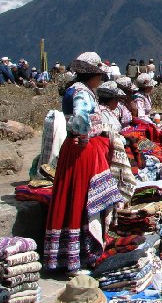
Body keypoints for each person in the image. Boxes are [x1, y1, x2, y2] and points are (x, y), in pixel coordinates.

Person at [45, 52, 122, 273]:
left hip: (76, 149)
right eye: (99, 75)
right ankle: (79, 256)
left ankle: (68, 255)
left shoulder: (78, 89)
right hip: (83, 150)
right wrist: (83, 132)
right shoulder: (81, 93)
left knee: (73, 197)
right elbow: (79, 116)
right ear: (93, 75)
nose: (100, 79)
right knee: (81, 199)